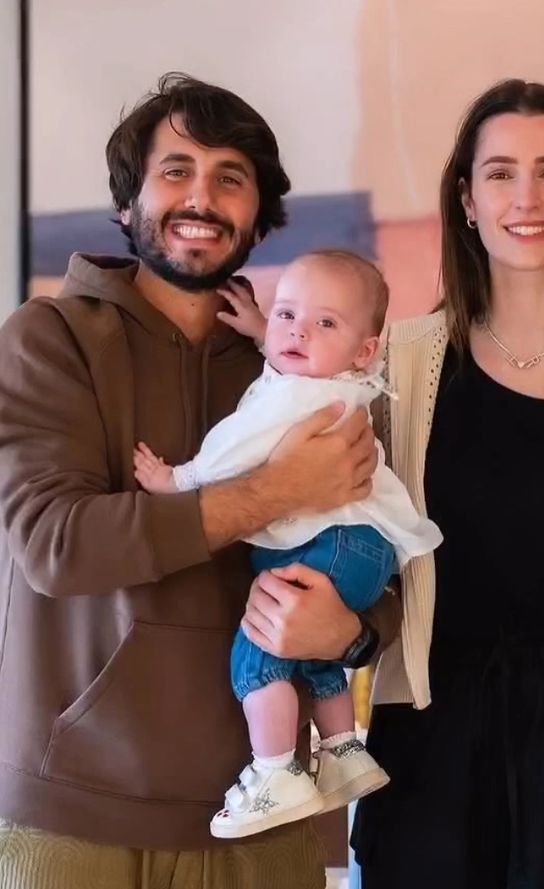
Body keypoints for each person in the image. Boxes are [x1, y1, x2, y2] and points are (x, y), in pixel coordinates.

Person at [253, 79, 544, 888]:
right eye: (499, 172)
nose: (525, 196)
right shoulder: (400, 361)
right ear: (466, 200)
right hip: (428, 744)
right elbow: (347, 536)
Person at [0, 74, 400, 889]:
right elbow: (54, 543)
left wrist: (350, 636)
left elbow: (376, 557)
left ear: (258, 215)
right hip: (74, 815)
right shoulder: (52, 338)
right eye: (175, 169)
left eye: (230, 177)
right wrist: (273, 491)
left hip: (267, 816)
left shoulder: (306, 366)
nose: (201, 196)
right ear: (129, 201)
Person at [133, 249, 442, 838]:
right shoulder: (342, 381)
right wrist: (261, 330)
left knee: (261, 648)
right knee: (313, 650)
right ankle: (345, 753)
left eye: (324, 322)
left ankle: (274, 772)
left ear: (364, 350)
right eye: (285, 313)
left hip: (328, 542)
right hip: (361, 550)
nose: (297, 330)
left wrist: (180, 480)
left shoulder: (294, 399)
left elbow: (239, 443)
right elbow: (290, 354)